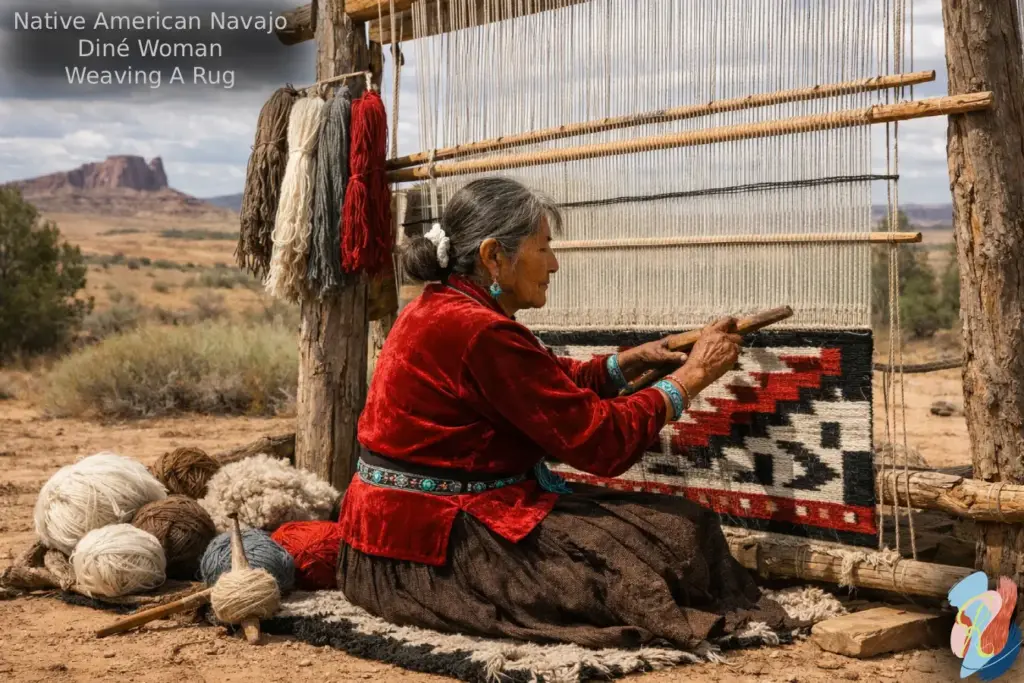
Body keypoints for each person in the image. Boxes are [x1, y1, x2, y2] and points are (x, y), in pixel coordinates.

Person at [337, 177, 788, 649]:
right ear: (494, 256)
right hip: (437, 550)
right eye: (544, 247)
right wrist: (692, 377)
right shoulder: (480, 331)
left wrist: (633, 361)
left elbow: (545, 380)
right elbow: (599, 441)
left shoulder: (441, 306)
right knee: (672, 539)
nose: (553, 264)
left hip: (382, 540)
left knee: (662, 533)